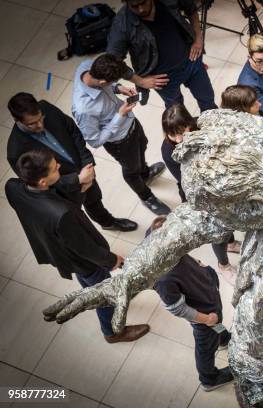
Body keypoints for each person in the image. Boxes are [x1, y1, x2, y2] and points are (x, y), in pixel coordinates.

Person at [43, 109, 263, 407]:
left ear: (253, 206)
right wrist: (128, 278)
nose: (205, 217)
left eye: (218, 209)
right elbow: (193, 220)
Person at [6, 149, 150, 343]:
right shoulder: (61, 215)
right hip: (82, 259)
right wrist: (112, 260)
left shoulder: (12, 187)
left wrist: (79, 189)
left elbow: (55, 206)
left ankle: (101, 295)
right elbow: (85, 248)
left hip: (57, 250)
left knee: (89, 281)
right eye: (54, 168)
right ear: (42, 181)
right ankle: (113, 332)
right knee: (104, 293)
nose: (59, 166)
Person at [6, 93, 137, 232]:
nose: (40, 125)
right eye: (32, 124)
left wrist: (87, 164)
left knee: (94, 199)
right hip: (64, 191)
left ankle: (107, 222)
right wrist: (77, 179)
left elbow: (73, 131)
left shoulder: (45, 107)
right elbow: (38, 183)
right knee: (78, 220)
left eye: (40, 118)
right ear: (16, 120)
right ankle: (103, 224)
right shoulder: (16, 151)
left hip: (83, 168)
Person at [72, 53, 170, 216]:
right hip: (119, 142)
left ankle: (145, 174)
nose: (114, 84)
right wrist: (120, 115)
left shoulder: (87, 67)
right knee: (131, 170)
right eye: (112, 83)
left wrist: (118, 88)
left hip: (131, 124)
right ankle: (146, 197)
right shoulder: (84, 109)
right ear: (102, 82)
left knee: (142, 146)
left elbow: (108, 87)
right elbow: (95, 141)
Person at [148, 216, 233, 391]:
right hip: (203, 316)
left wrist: (199, 265)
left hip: (209, 301)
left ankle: (223, 338)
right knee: (205, 347)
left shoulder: (167, 242)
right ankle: (209, 379)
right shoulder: (163, 279)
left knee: (217, 325)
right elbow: (178, 308)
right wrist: (205, 319)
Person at [161, 103, 241, 283]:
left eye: (182, 132)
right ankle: (224, 265)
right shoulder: (169, 150)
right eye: (173, 134)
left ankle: (231, 243)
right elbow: (186, 180)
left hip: (220, 184)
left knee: (230, 222)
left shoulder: (202, 126)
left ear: (191, 124)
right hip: (200, 194)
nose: (178, 139)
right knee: (218, 231)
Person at [107, 0, 217, 112]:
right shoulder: (122, 23)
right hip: (162, 79)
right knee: (177, 114)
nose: (141, 9)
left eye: (143, 3)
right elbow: (112, 60)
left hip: (191, 62)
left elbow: (191, 9)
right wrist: (140, 81)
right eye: (134, 6)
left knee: (208, 102)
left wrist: (198, 38)